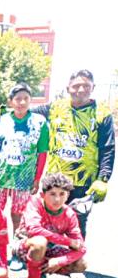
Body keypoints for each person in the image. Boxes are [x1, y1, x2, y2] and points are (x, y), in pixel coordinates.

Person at [32, 70, 115, 238]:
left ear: (93, 88)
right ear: (68, 88)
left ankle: (74, 262)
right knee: (49, 221)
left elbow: (108, 149)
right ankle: (49, 260)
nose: (81, 89)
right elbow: (25, 112)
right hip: (55, 179)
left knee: (77, 223)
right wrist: (2, 114)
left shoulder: (102, 114)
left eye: (86, 85)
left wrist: (103, 178)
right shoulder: (55, 107)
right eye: (76, 86)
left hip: (83, 182)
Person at [15, 173, 87, 278]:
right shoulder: (35, 203)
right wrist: (67, 241)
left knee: (81, 264)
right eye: (52, 194)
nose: (57, 199)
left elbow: (81, 247)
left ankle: (40, 272)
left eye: (62, 194)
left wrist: (60, 261)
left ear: (67, 196)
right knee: (40, 241)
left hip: (50, 249)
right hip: (25, 246)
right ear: (43, 194)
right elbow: (34, 229)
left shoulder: (69, 214)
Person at [0, 83, 48, 241]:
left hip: (24, 177)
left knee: (18, 214)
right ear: (11, 101)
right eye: (18, 99)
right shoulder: (1, 120)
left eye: (26, 98)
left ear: (31, 100)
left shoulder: (39, 122)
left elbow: (42, 152)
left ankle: (17, 246)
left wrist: (37, 178)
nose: (22, 102)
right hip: (0, 176)